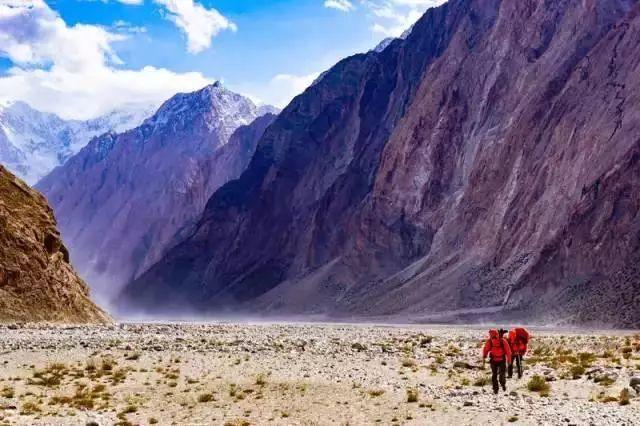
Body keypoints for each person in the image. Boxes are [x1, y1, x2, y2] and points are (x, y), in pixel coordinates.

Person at [482, 329, 512, 394]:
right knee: (502, 374)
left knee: (494, 375)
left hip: (493, 360)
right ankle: (503, 384)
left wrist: (484, 356)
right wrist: (509, 361)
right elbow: (508, 351)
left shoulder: (490, 341)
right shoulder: (503, 341)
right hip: (502, 360)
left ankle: (496, 389)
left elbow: (486, 349)